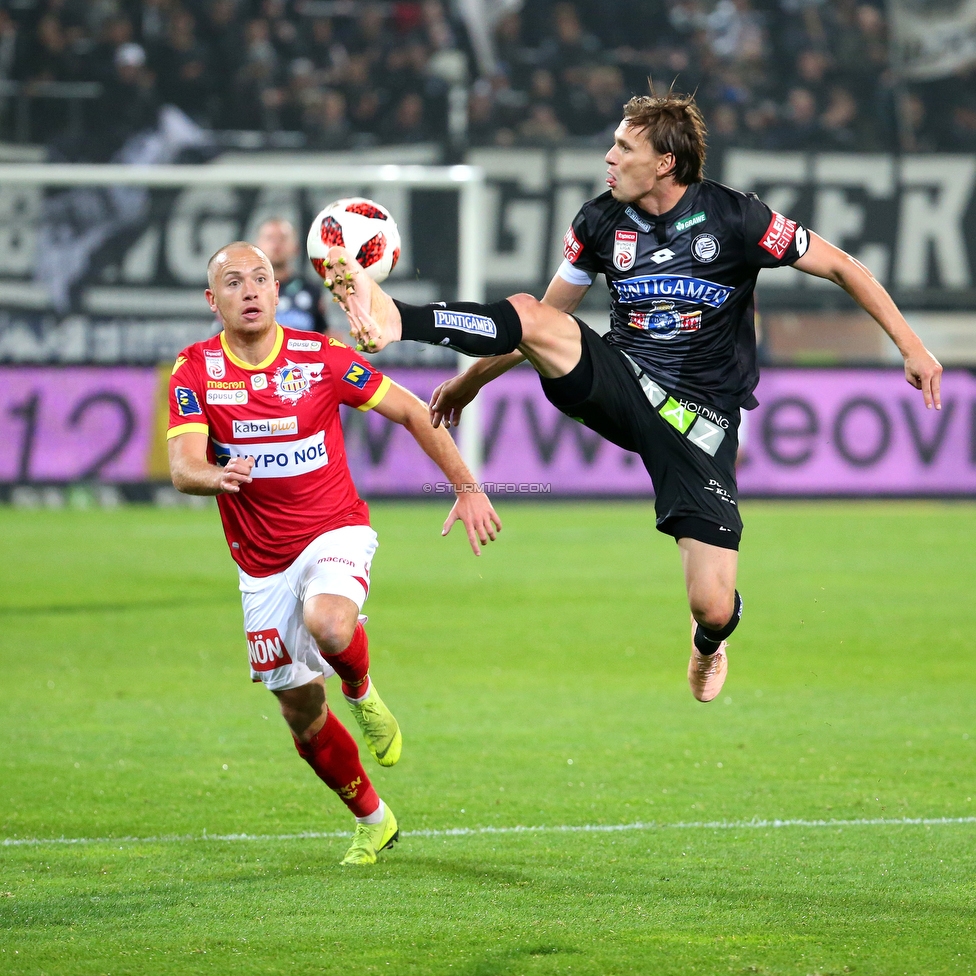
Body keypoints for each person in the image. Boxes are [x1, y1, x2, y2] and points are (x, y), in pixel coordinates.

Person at [322, 90, 943, 704]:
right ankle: (395, 315)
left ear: (664, 162)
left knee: (712, 601)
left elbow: (843, 267)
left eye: (624, 146)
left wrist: (911, 346)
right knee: (529, 311)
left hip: (700, 423)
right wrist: (470, 380)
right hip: (619, 381)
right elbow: (540, 322)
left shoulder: (736, 218)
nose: (610, 158)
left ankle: (709, 641)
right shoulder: (598, 221)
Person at [167, 241, 501, 865]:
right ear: (213, 301)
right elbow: (184, 464)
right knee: (300, 713)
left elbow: (409, 410)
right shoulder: (194, 371)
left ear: (276, 289)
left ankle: (363, 688)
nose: (250, 291)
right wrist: (219, 475)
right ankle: (373, 820)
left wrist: (467, 485)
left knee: (329, 623)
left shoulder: (320, 357)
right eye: (234, 283)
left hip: (334, 530)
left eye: (260, 278)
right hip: (259, 561)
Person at [253, 218, 328, 333]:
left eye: (282, 238)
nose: (276, 244)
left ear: (296, 247)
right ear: (256, 247)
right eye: (269, 238)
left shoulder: (311, 290)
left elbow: (324, 335)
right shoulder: (246, 291)